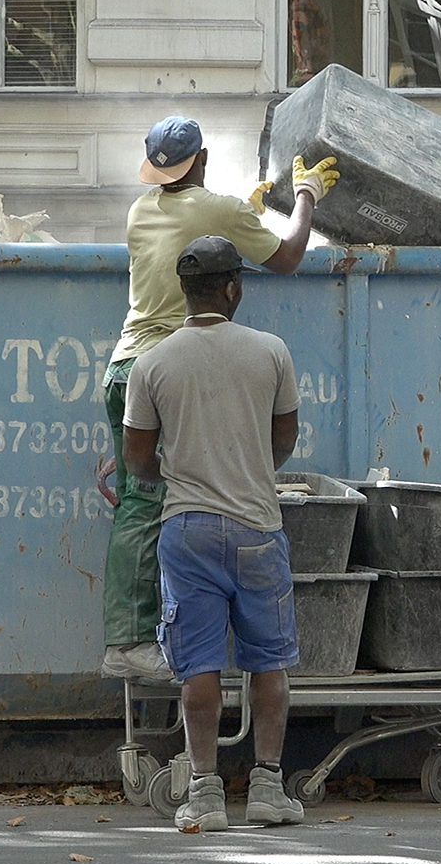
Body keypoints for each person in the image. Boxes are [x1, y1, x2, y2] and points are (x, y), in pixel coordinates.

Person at [99, 116, 338, 681]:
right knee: (152, 504)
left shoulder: (141, 210)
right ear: (202, 159)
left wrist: (243, 211)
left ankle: (141, 635)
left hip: (126, 365)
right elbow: (289, 255)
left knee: (143, 499)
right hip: (169, 366)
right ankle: (130, 644)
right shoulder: (219, 211)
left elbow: (198, 225)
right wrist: (305, 196)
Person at [122, 235, 306, 830]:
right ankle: (268, 789)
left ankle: (203, 792)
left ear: (184, 290)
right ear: (233, 287)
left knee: (198, 665)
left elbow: (138, 460)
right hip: (258, 525)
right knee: (268, 661)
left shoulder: (152, 362)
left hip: (187, 529)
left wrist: (180, 471)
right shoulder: (271, 351)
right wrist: (247, 466)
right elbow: (284, 441)